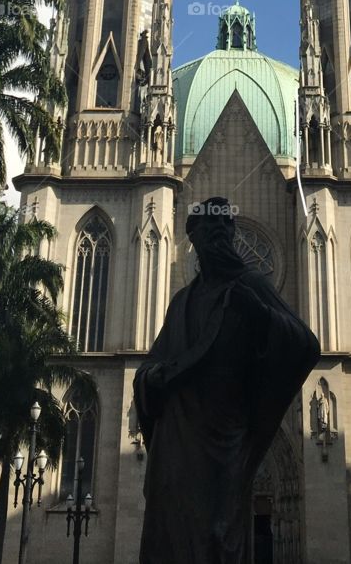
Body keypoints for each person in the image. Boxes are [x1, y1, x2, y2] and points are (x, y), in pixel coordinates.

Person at [134, 196, 320, 563]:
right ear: (194, 238)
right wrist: (151, 378)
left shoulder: (250, 285)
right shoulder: (182, 300)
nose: (218, 233)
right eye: (209, 227)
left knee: (220, 534)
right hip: (178, 437)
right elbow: (152, 363)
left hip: (226, 435)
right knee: (169, 532)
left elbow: (305, 345)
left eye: (225, 227)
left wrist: (260, 315)